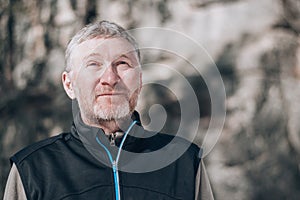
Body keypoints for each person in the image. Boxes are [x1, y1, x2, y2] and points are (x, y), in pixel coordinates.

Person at [3, 20, 214, 200]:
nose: (110, 79)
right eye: (93, 64)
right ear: (69, 85)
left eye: (122, 63)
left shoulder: (184, 161)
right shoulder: (32, 168)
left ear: (139, 81)